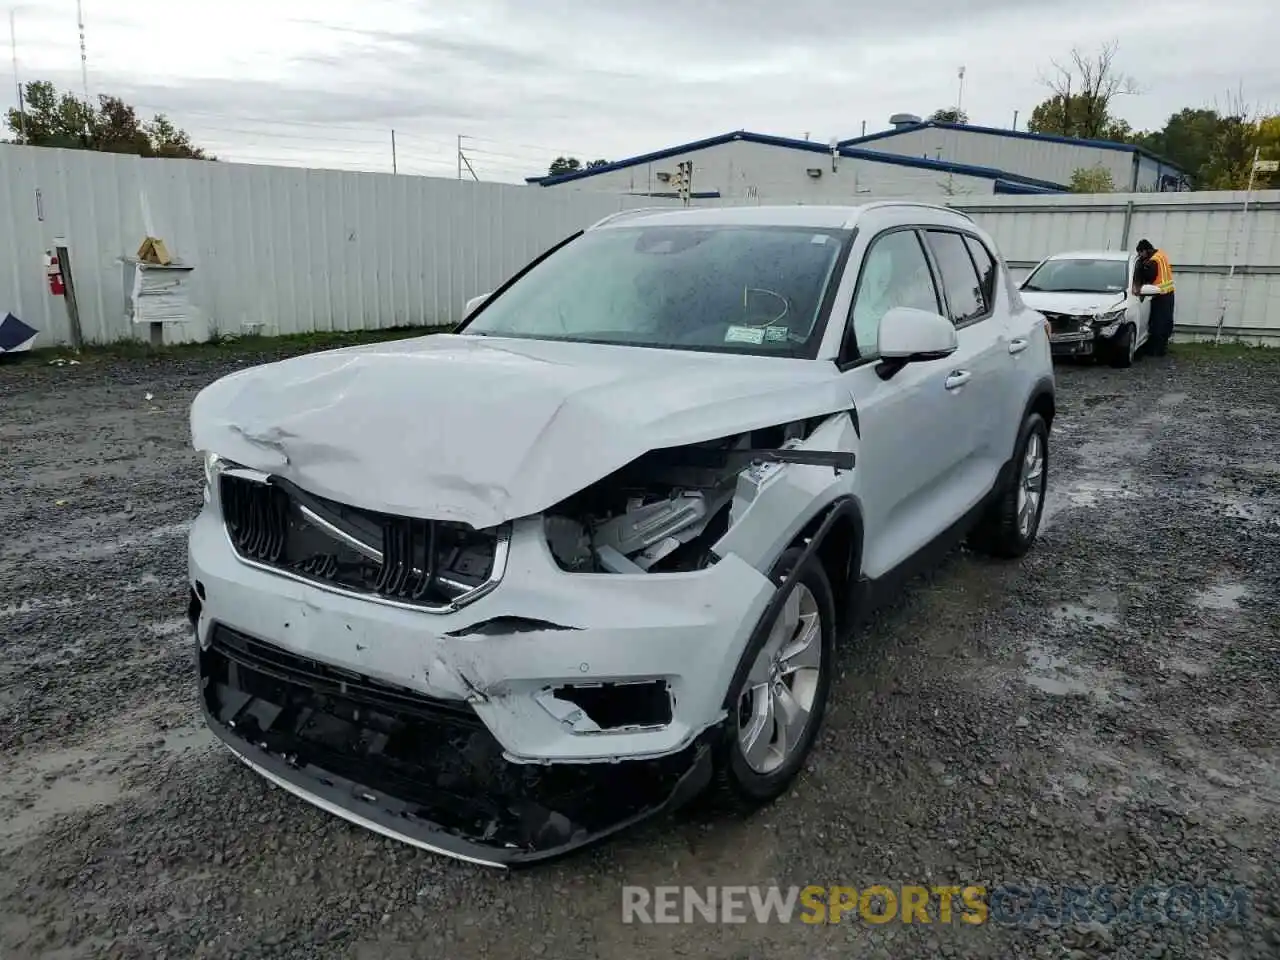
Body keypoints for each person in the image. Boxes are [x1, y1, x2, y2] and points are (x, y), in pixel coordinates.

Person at [1135, 239, 1175, 356]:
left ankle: (1155, 350)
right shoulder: (1161, 254)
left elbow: (1149, 277)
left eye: (1140, 253)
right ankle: (1162, 348)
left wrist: (1142, 267)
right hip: (1169, 293)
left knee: (1157, 324)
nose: (1139, 256)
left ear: (1145, 250)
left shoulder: (1153, 262)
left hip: (1159, 295)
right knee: (1166, 322)